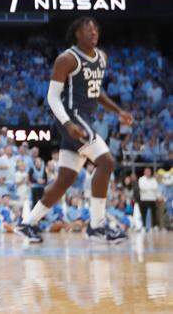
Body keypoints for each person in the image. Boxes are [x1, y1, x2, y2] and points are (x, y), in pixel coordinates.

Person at [16, 18, 132, 245]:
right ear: (77, 33)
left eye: (96, 29)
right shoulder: (67, 58)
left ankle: (28, 223)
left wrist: (118, 110)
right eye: (88, 29)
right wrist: (68, 124)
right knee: (107, 163)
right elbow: (52, 97)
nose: (93, 32)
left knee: (65, 179)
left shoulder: (101, 57)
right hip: (71, 117)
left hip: (83, 120)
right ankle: (96, 227)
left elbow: (96, 91)